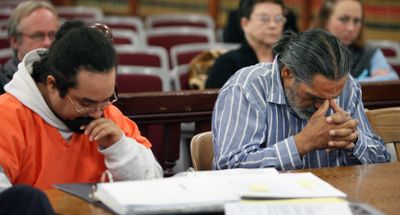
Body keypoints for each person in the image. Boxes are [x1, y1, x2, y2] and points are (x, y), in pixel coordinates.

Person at [0, 20, 163, 189]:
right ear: (52, 85)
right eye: (86, 102)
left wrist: (119, 147)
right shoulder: (8, 116)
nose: (97, 114)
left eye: (107, 99)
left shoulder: (109, 116)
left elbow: (153, 185)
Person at [212, 29, 390, 170]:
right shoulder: (247, 88)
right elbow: (230, 168)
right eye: (313, 97)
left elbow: (382, 159)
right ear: (287, 73)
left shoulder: (347, 85)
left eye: (333, 97)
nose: (324, 106)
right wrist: (303, 143)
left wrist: (354, 142)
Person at [205, 0, 286, 89]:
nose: (273, 25)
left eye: (278, 19)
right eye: (264, 18)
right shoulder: (228, 63)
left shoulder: (288, 61)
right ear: (245, 24)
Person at [312, 0, 398, 82]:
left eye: (356, 21)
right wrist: (367, 80)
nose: (351, 28)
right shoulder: (309, 50)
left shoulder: (369, 51)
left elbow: (392, 79)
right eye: (344, 19)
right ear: (325, 20)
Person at [0, 1, 59, 93]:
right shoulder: (2, 83)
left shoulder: (65, 78)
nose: (47, 42)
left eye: (52, 35)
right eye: (38, 35)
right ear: (15, 41)